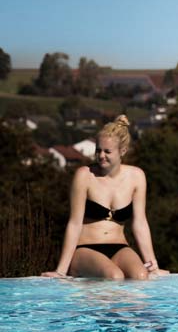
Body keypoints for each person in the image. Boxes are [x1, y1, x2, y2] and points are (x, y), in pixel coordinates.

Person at [42, 115, 163, 279]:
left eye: (107, 151)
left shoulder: (137, 177)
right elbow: (74, 223)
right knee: (114, 276)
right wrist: (61, 271)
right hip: (85, 249)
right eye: (98, 150)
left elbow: (140, 223)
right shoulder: (84, 176)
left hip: (119, 247)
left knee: (141, 276)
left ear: (123, 151)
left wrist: (152, 263)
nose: (101, 156)